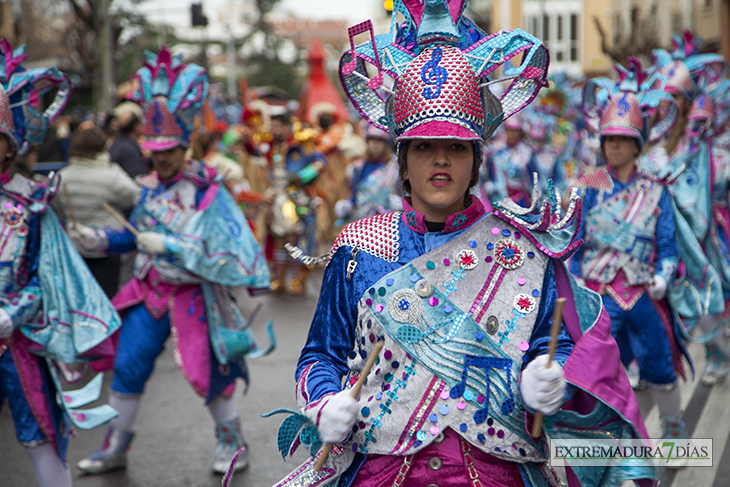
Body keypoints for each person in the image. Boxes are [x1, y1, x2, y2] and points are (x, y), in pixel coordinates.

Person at [269, 4, 654, 486]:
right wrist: (324, 402)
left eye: (456, 147)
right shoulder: (360, 248)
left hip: (496, 469)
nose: (440, 161)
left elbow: (551, 340)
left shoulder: (521, 247)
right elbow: (321, 355)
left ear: (476, 161)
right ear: (403, 164)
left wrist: (545, 375)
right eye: (424, 147)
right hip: (384, 470)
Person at [70, 46, 273, 476]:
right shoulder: (145, 189)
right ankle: (115, 445)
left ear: (185, 145)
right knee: (128, 364)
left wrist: (171, 246)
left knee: (207, 370)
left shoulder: (206, 189)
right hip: (150, 292)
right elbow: (135, 237)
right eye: (155, 149)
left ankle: (233, 443)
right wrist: (99, 239)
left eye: (169, 149)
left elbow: (227, 250)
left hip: (194, 292)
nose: (161, 157)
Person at [0, 41, 121, 487]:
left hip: (17, 341)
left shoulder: (31, 203)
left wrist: (10, 315)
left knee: (40, 436)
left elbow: (45, 277)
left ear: (10, 145)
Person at [572, 57, 692, 439]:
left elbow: (669, 247)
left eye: (622, 140)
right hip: (596, 296)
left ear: (637, 145)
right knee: (592, 371)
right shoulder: (588, 186)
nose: (614, 147)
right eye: (609, 139)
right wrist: (574, 281)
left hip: (641, 293)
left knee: (660, 363)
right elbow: (573, 242)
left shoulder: (656, 189)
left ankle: (674, 431)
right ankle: (599, 442)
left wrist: (663, 276)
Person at [53, 124, 139, 298]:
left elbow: (57, 207)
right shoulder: (110, 176)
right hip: (108, 246)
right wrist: (114, 168)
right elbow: (134, 196)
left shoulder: (61, 177)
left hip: (74, 246)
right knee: (107, 298)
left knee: (80, 299)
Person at [334, 125, 401, 224]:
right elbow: (356, 194)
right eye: (371, 140)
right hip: (362, 222)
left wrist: (401, 202)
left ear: (386, 143)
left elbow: (404, 191)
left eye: (379, 141)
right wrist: (347, 204)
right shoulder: (358, 166)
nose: (375, 144)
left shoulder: (395, 166)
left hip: (388, 221)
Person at [109, 103, 148, 178]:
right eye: (141, 122)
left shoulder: (116, 144)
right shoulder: (129, 150)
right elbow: (137, 179)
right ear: (136, 126)